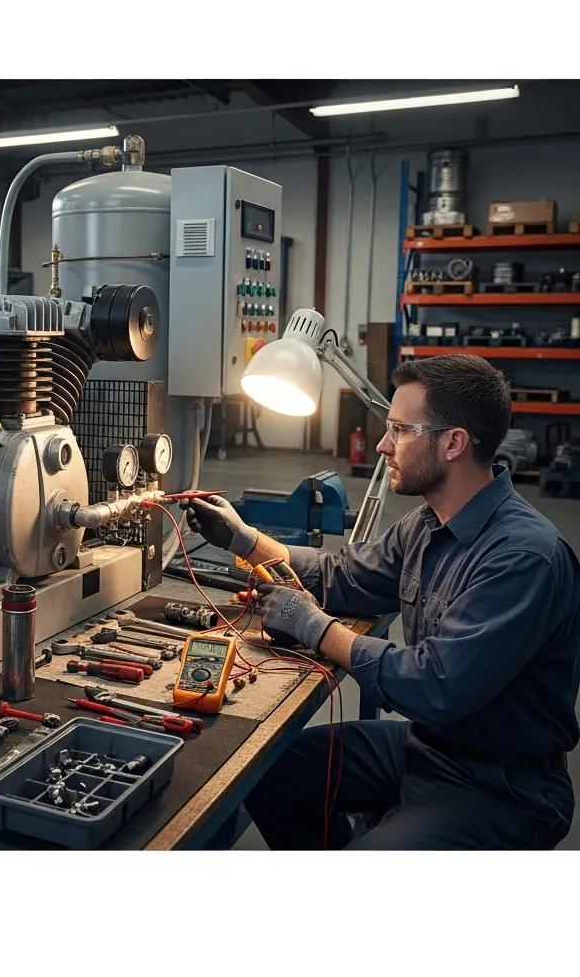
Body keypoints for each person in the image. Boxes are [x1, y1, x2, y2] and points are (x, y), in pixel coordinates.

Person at [187, 354, 580, 849]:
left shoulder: (523, 558)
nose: (381, 444)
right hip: (429, 749)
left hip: (501, 785)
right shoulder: (428, 522)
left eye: (399, 429)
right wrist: (246, 541)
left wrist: (317, 630)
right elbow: (346, 575)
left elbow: (435, 685)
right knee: (265, 769)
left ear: (453, 442)